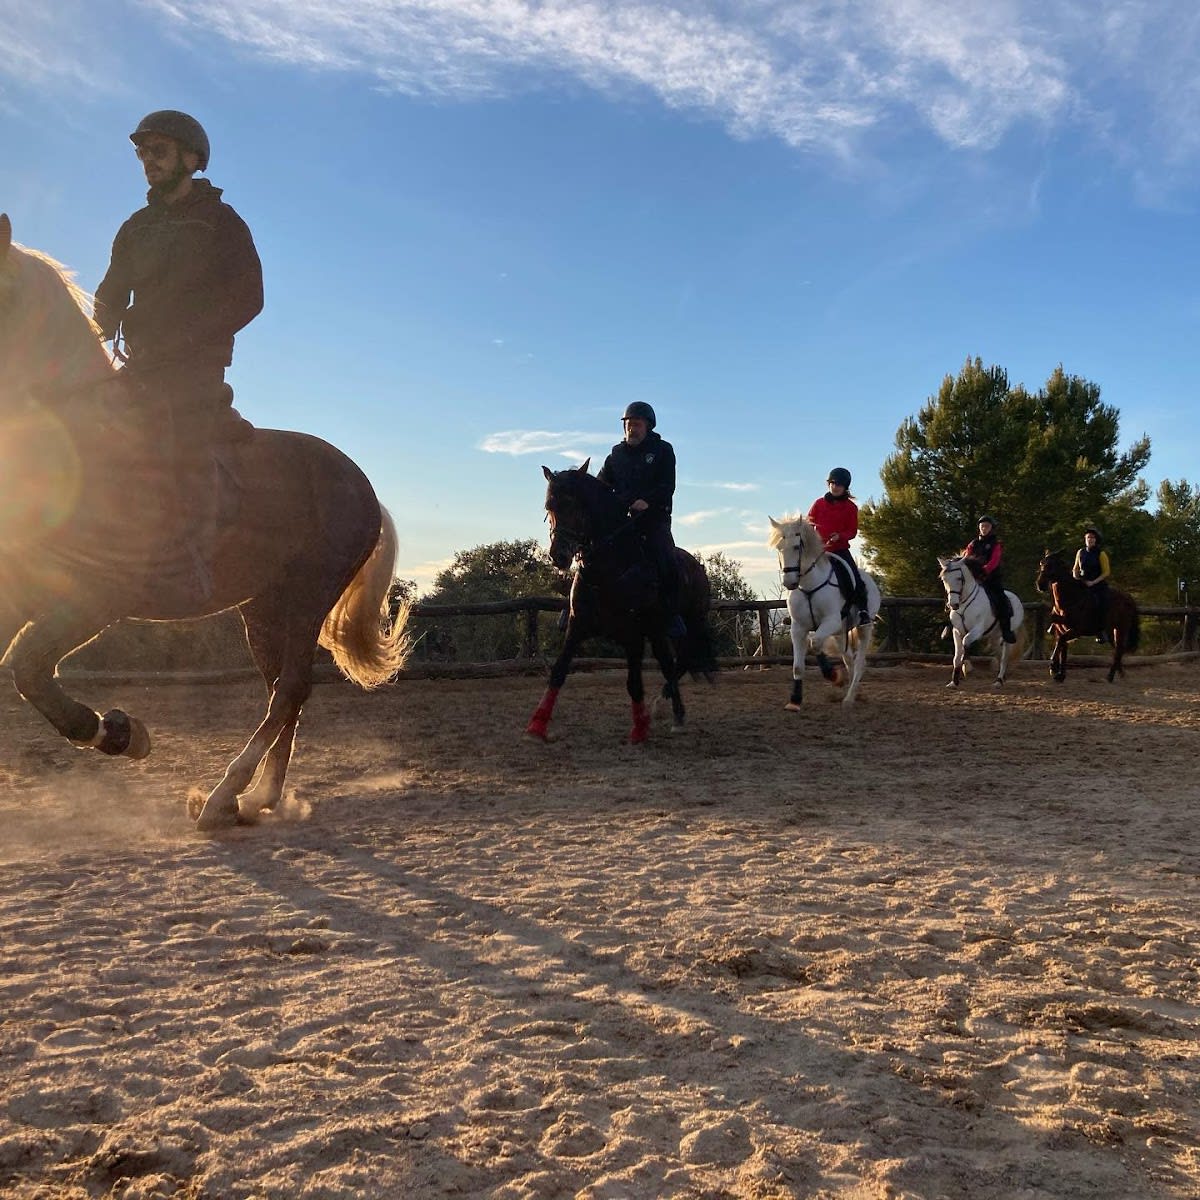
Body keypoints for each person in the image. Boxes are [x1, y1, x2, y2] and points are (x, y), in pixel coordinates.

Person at [93, 109, 263, 590]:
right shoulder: (135, 227)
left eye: (159, 150)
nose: (148, 160)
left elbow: (250, 297)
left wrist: (189, 338)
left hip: (194, 367)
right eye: (142, 152)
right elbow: (110, 293)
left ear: (191, 158)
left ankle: (188, 558)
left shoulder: (222, 222)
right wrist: (96, 329)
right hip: (141, 363)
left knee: (179, 440)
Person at [596, 402, 686, 637]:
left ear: (648, 426)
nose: (631, 429)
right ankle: (577, 604)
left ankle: (673, 613)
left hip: (654, 519)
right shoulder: (615, 455)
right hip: (622, 523)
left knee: (665, 556)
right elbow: (601, 485)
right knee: (593, 551)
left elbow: (668, 485)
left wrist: (648, 501)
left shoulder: (663, 451)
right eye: (628, 424)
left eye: (636, 424)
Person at [806, 467, 871, 627]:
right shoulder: (818, 504)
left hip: (840, 550)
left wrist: (840, 536)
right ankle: (800, 611)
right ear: (828, 484)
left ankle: (863, 612)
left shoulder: (851, 508)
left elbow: (852, 531)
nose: (835, 487)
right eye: (833, 483)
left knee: (855, 578)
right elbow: (808, 523)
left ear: (845, 487)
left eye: (839, 485)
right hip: (819, 551)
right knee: (800, 571)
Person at [961, 515, 1016, 643]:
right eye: (982, 526)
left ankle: (1006, 630)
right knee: (956, 595)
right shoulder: (973, 544)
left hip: (991, 578)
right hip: (974, 578)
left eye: (986, 526)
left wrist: (984, 570)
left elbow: (994, 561)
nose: (984, 528)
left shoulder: (995, 544)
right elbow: (966, 557)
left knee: (1001, 600)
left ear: (991, 528)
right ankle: (952, 624)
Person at [1073, 524, 1112, 643]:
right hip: (1083, 583)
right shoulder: (1080, 552)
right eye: (1088, 537)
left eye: (1092, 538)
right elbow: (1075, 568)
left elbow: (1106, 572)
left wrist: (1093, 582)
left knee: (1101, 602)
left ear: (1096, 540)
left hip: (1097, 584)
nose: (1090, 540)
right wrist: (1076, 576)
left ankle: (1101, 630)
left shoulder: (1101, 554)